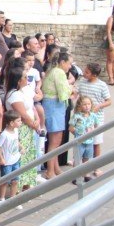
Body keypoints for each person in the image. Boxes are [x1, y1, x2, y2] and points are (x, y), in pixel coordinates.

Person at [4, 67, 40, 190]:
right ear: (18, 81)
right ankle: (18, 186)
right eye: (25, 77)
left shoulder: (22, 92)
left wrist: (36, 120)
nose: (27, 79)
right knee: (21, 156)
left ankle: (26, 183)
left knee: (28, 155)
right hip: (21, 128)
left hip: (27, 128)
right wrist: (33, 124)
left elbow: (31, 108)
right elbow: (23, 115)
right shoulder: (14, 95)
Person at [41, 52, 73, 180]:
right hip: (54, 107)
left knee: (56, 140)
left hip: (53, 106)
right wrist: (71, 87)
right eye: (69, 63)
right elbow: (63, 93)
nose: (70, 66)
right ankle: (50, 171)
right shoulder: (58, 72)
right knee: (55, 141)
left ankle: (55, 168)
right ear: (62, 62)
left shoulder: (52, 71)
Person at [76, 62, 112, 174]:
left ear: (94, 75)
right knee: (81, 141)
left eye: (87, 72)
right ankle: (80, 164)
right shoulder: (82, 82)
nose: (84, 73)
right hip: (82, 117)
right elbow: (77, 94)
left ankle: (96, 166)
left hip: (96, 118)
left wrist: (99, 106)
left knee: (96, 142)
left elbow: (109, 101)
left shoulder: (102, 85)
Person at [69, 96, 101, 183]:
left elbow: (97, 125)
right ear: (80, 106)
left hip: (89, 141)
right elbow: (71, 128)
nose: (87, 106)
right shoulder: (76, 116)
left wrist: (93, 131)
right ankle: (75, 176)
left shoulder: (93, 116)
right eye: (84, 104)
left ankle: (86, 174)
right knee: (77, 159)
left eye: (89, 104)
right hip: (79, 141)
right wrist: (78, 134)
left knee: (86, 158)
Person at [0, 110, 23, 206]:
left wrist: (21, 147)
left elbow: (16, 141)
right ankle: (2, 197)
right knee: (5, 180)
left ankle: (13, 197)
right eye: (18, 121)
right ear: (11, 123)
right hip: (7, 161)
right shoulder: (4, 134)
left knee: (15, 180)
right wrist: (1, 158)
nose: (20, 123)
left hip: (16, 159)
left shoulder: (15, 131)